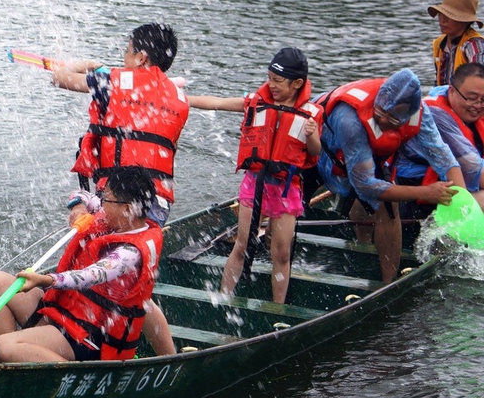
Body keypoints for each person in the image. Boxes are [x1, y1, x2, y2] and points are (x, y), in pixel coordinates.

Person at [51, 23, 188, 356]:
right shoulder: (176, 95)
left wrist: (85, 64)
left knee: (104, 269)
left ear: (141, 57)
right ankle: (162, 355)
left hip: (120, 198)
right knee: (135, 282)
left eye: (127, 51)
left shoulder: (114, 81)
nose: (123, 58)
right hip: (154, 202)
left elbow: (60, 77)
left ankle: (88, 342)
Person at [0, 167, 162, 362]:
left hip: (88, 336)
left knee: (2, 346)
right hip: (65, 314)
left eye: (106, 200)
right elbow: (81, 195)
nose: (101, 205)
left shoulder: (130, 254)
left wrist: (44, 280)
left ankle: (69, 376)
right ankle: (11, 366)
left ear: (128, 209)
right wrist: (78, 207)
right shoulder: (118, 218)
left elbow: (89, 276)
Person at [187, 48, 322, 304]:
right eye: (269, 78)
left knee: (281, 254)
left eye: (277, 81)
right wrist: (183, 99)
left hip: (286, 189)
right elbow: (217, 102)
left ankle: (277, 308)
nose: (271, 85)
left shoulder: (311, 113)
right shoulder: (256, 102)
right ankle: (224, 299)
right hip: (255, 183)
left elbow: (315, 152)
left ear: (297, 84)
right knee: (243, 243)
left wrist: (312, 135)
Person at [304, 68, 465, 283]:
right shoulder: (350, 120)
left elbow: (441, 153)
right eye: (379, 114)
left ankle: (387, 279)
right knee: (286, 210)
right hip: (318, 150)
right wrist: (426, 192)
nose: (383, 122)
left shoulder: (419, 111)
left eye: (392, 119)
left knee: (390, 208)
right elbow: (365, 186)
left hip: (363, 156)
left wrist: (461, 199)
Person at [396, 62, 484, 214]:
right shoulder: (436, 115)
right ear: (452, 91)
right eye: (471, 98)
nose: (477, 105)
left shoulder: (463, 106)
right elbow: (474, 170)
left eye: (483, 100)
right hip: (417, 192)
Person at [429, 0, 484, 86]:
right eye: (441, 13)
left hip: (468, 98)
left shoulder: (474, 45)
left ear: (465, 21)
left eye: (450, 16)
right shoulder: (439, 43)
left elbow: (480, 81)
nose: (443, 20)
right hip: (447, 96)